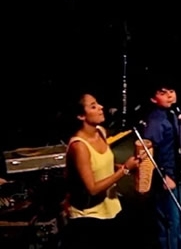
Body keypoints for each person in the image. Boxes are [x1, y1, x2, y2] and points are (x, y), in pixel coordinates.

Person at [61, 93, 140, 248]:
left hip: (111, 208)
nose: (101, 107)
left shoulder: (101, 132)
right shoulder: (79, 147)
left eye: (98, 103)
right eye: (93, 106)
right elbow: (92, 188)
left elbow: (103, 166)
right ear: (80, 116)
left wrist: (128, 167)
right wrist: (124, 170)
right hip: (89, 217)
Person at [142, 83, 181, 249]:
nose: (169, 95)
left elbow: (178, 143)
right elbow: (149, 154)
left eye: (171, 91)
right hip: (169, 179)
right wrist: (164, 175)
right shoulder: (155, 121)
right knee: (172, 224)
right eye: (163, 93)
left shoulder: (176, 114)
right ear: (153, 98)